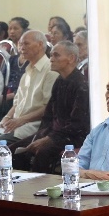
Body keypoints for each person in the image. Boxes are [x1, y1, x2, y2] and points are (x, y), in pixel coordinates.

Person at [0, 30, 57, 172]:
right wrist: (7, 117)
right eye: (20, 44)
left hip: (33, 125)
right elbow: (18, 101)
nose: (21, 48)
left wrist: (21, 120)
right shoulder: (28, 70)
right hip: (16, 121)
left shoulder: (50, 70)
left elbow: (48, 107)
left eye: (26, 44)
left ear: (39, 45)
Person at [11, 41, 91, 173]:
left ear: (71, 58)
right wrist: (41, 135)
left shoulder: (81, 85)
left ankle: (40, 190)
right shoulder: (60, 80)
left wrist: (49, 139)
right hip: (53, 133)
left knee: (41, 152)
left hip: (73, 137)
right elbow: (48, 115)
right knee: (13, 150)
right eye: (51, 55)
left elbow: (78, 125)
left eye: (56, 55)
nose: (51, 59)